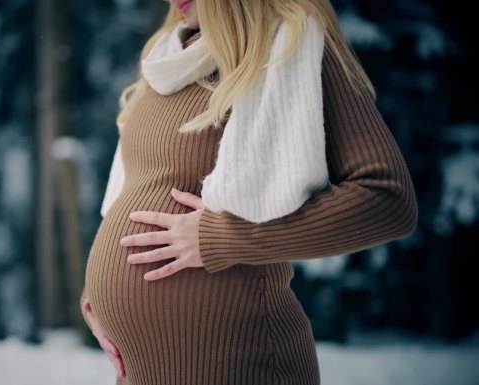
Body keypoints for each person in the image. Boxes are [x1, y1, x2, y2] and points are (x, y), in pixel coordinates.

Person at [80, 0, 418, 384]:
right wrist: (94, 295)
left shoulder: (293, 46)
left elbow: (388, 199)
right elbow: (133, 189)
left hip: (242, 364)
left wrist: (221, 238)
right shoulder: (167, 61)